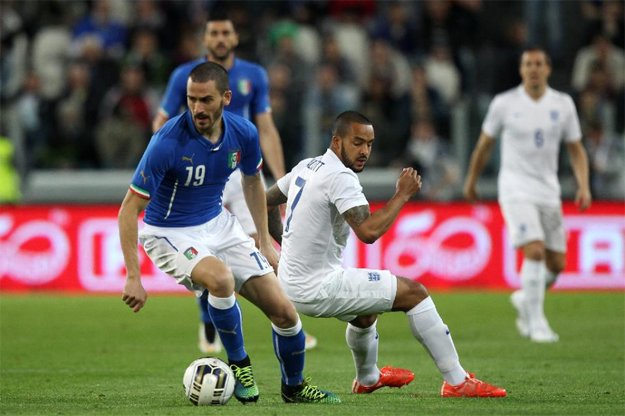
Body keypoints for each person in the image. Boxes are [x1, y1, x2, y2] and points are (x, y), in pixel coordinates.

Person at [118, 62, 339, 404]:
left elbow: (252, 180)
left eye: (205, 100)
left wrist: (264, 241)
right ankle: (240, 365)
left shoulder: (244, 133)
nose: (197, 108)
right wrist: (134, 276)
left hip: (219, 225)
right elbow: (128, 209)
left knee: (285, 312)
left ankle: (294, 387)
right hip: (169, 232)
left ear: (226, 97)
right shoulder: (167, 142)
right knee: (220, 279)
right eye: (191, 99)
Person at [266, 110, 507, 398]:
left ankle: (368, 378)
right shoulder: (340, 177)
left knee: (366, 313)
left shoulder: (307, 166)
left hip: (292, 281)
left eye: (369, 144)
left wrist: (286, 244)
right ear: (337, 141)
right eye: (357, 143)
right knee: (414, 293)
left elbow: (266, 201)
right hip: (317, 285)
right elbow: (368, 233)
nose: (365, 151)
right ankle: (457, 381)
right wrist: (403, 194)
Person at [151, 11, 317, 353]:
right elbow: (162, 122)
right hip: (197, 173)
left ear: (235, 37)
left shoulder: (253, 75)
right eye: (214, 33)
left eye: (226, 32)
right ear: (205, 39)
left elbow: (266, 128)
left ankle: (285, 316)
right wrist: (165, 165)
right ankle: (208, 320)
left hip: (241, 171)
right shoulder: (185, 75)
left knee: (265, 243)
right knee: (206, 246)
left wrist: (281, 180)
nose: (220, 39)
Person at [463, 47, 592, 343]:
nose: (533, 69)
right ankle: (537, 324)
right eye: (527, 64)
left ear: (547, 69)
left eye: (538, 64)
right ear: (521, 70)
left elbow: (576, 149)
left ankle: (525, 298)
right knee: (533, 249)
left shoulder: (563, 104)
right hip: (515, 187)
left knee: (557, 264)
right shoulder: (504, 103)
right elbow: (484, 146)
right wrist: (471, 180)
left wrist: (583, 185)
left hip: (548, 190)